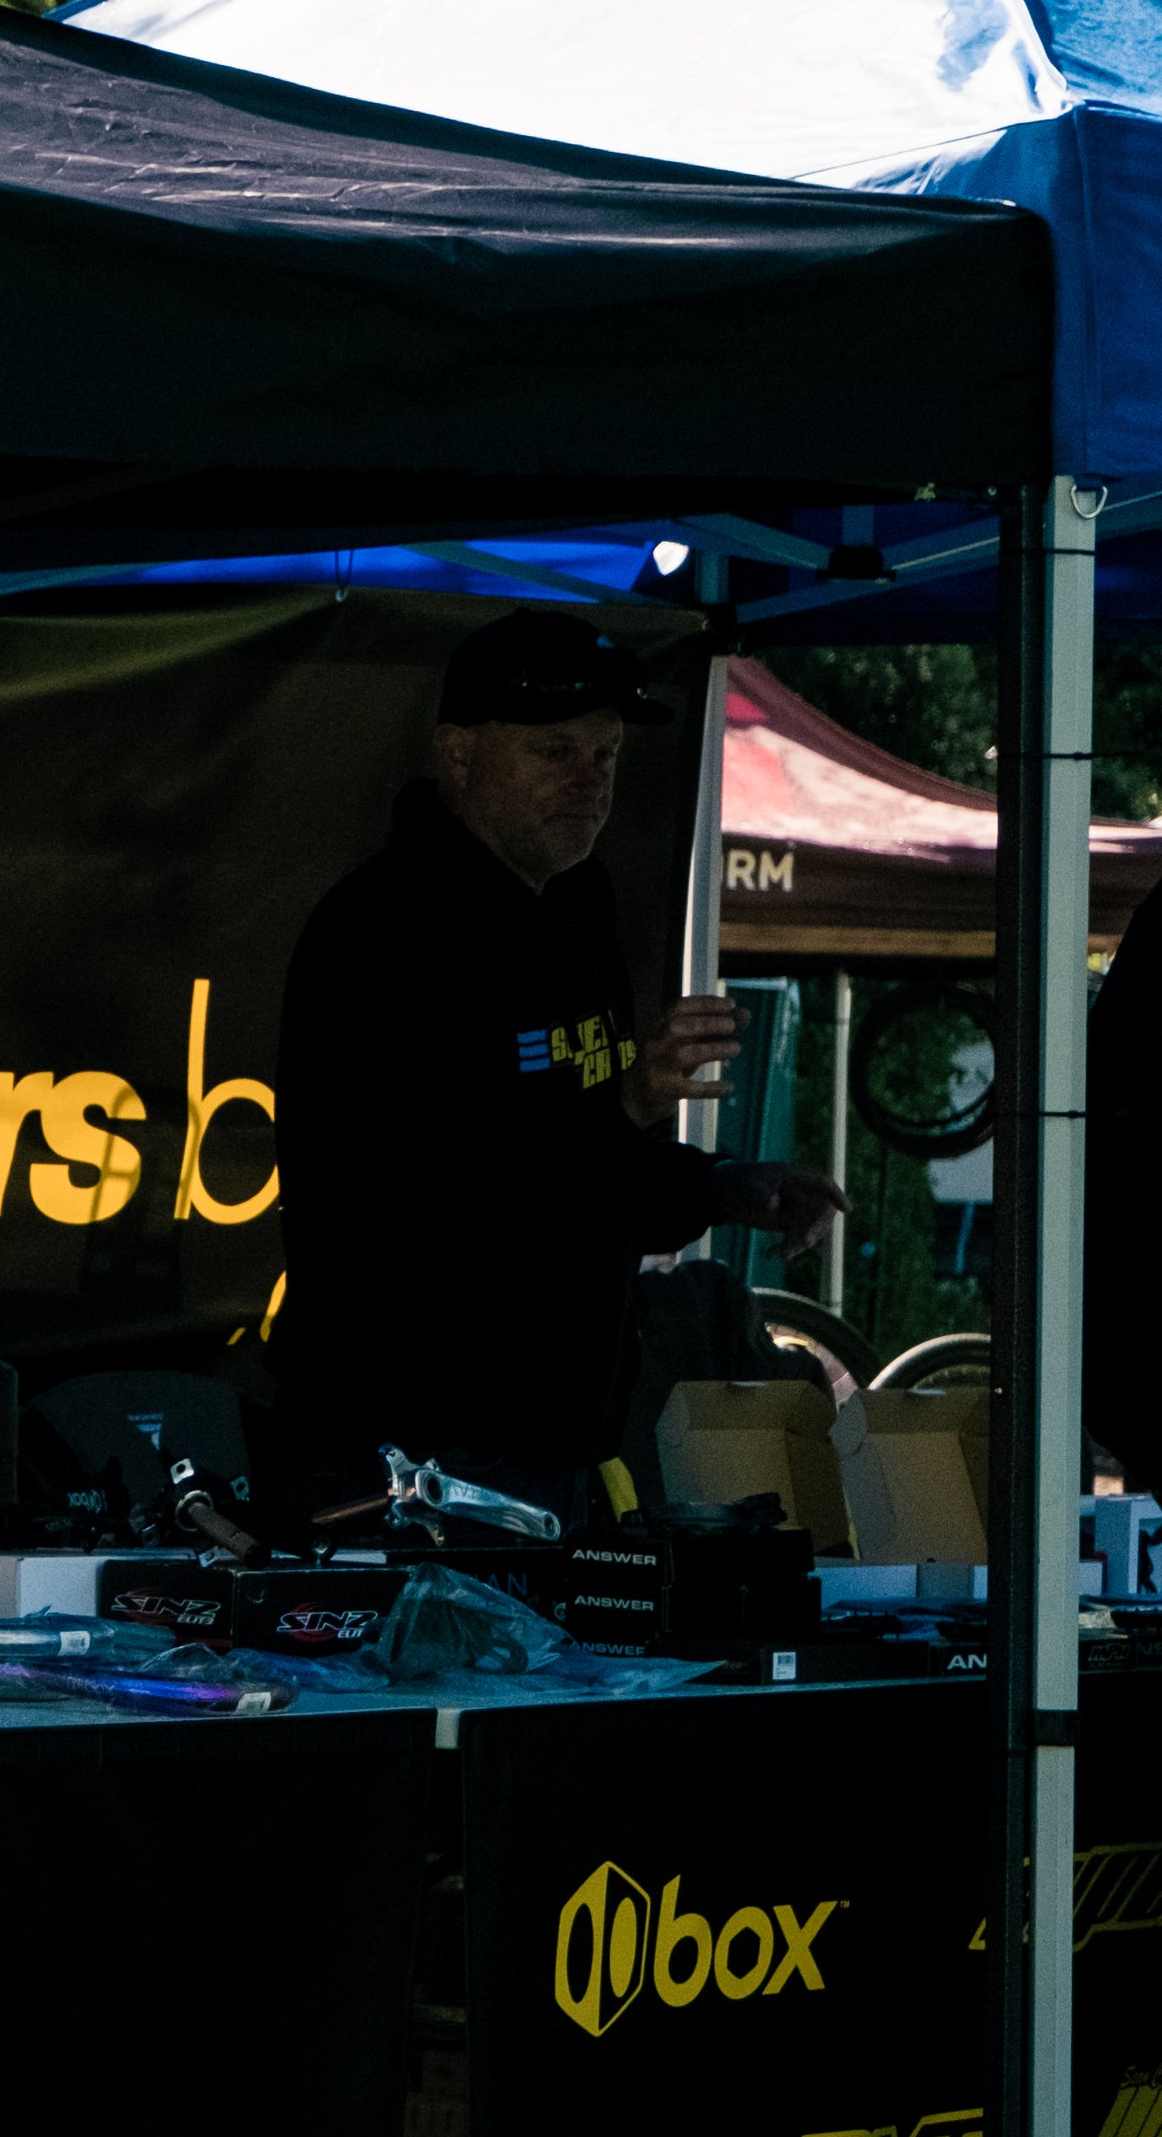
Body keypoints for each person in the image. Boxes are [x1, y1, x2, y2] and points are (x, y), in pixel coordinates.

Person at [268, 609, 843, 1515]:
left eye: (607, 754)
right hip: (403, 1458)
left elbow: (592, 1184)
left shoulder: (576, 916)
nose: (590, 781)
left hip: (552, 1448)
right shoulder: (382, 935)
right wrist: (624, 1105)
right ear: (459, 755)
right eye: (554, 752)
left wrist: (721, 1187)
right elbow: (427, 1202)